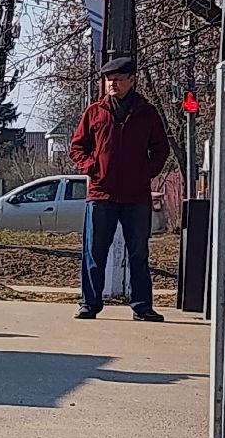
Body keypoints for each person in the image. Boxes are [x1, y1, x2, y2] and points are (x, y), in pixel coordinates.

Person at [68, 55, 169, 322]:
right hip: (101, 194)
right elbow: (77, 147)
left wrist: (145, 172)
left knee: (138, 253)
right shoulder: (94, 112)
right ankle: (89, 303)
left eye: (118, 79)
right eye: (109, 80)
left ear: (131, 80)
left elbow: (161, 149)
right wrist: (92, 167)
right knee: (94, 251)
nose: (112, 84)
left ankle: (142, 307)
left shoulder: (147, 113)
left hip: (136, 196)